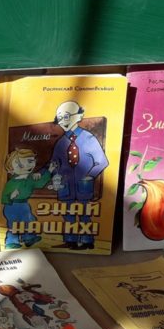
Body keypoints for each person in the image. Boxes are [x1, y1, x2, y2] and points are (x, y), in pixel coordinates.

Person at [46, 100, 108, 249]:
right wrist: (48, 173)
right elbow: (53, 163)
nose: (62, 121)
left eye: (66, 116)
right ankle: (71, 241)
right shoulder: (61, 142)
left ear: (79, 116)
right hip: (65, 187)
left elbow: (102, 161)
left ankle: (87, 242)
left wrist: (90, 175)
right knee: (68, 215)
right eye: (59, 118)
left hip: (83, 187)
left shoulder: (89, 138)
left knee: (85, 215)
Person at [0, 147, 51, 248]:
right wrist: (11, 196)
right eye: (20, 165)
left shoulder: (30, 179)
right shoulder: (11, 182)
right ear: (11, 169)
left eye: (31, 161)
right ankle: (11, 242)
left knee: (29, 221)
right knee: (13, 224)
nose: (27, 166)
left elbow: (40, 183)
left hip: (24, 205)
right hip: (12, 206)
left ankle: (29, 238)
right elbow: (4, 197)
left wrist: (49, 171)